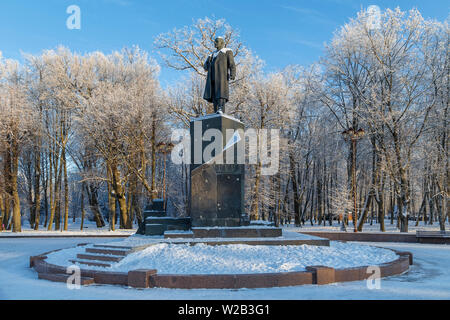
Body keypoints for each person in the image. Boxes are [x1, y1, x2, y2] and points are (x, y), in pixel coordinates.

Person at [203, 37, 236, 113]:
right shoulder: (212, 55)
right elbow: (205, 67)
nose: (215, 43)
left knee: (221, 93)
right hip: (212, 77)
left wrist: (232, 73)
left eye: (216, 41)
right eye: (214, 41)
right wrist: (208, 60)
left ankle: (220, 108)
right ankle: (216, 110)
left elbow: (232, 64)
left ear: (221, 43)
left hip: (222, 77)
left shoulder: (227, 51)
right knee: (214, 94)